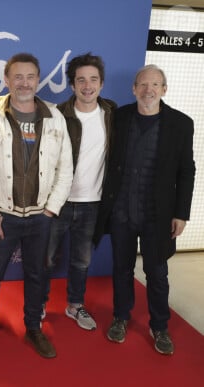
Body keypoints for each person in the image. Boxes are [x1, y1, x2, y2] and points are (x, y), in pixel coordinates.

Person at [0, 53, 73, 359]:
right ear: (7, 80)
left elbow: (65, 168)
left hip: (41, 216)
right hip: (3, 216)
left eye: (30, 77)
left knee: (37, 276)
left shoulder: (55, 117)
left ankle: (33, 328)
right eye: (18, 77)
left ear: (37, 80)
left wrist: (52, 208)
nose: (24, 83)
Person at [94, 64, 195, 355]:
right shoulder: (119, 117)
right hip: (122, 212)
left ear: (164, 90)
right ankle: (120, 318)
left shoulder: (181, 124)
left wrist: (181, 213)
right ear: (133, 88)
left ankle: (160, 326)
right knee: (121, 269)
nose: (148, 90)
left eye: (155, 85)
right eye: (143, 84)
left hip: (158, 217)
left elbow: (186, 171)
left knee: (157, 273)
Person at [42, 53, 116, 331]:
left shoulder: (112, 114)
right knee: (45, 259)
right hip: (56, 203)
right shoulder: (57, 115)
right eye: (81, 80)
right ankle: (38, 304)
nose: (88, 85)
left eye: (93, 79)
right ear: (72, 85)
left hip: (92, 204)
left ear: (101, 83)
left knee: (81, 261)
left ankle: (75, 305)